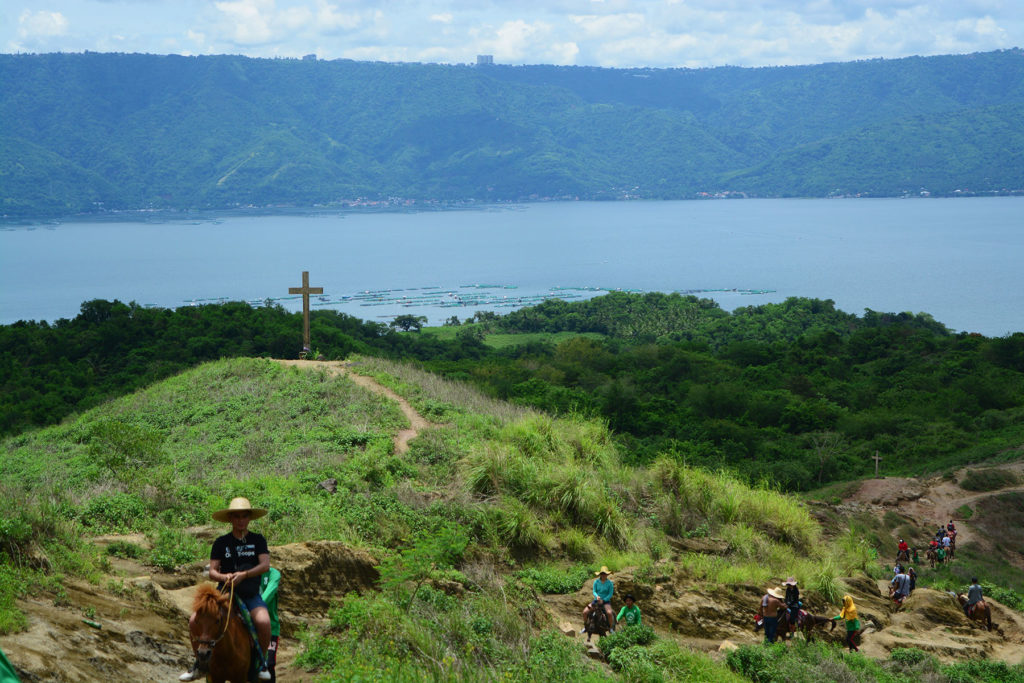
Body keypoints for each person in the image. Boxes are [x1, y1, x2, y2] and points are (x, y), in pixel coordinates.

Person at [181, 497, 272, 682]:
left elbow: (265, 566)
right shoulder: (221, 542)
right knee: (193, 621)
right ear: (231, 519)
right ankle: (200, 664)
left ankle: (261, 664)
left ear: (249, 518)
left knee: (263, 621)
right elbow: (212, 571)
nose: (241, 520)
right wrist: (225, 577)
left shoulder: (258, 540)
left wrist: (245, 575)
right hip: (224, 594)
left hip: (250, 594)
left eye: (244, 516)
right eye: (237, 516)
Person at [260, 567, 282, 681]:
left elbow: (269, 592)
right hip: (248, 626)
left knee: (269, 664)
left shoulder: (274, 574)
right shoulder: (245, 572)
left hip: (271, 627)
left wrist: (256, 606)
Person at [582, 567, 616, 634]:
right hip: (596, 600)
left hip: (606, 601)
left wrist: (604, 600)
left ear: (607, 575)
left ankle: (611, 628)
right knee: (585, 612)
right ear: (600, 574)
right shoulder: (596, 582)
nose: (603, 575)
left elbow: (610, 594)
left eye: (605, 574)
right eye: (602, 574)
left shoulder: (610, 583)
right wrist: (597, 596)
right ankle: (586, 626)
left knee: (609, 613)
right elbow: (594, 591)